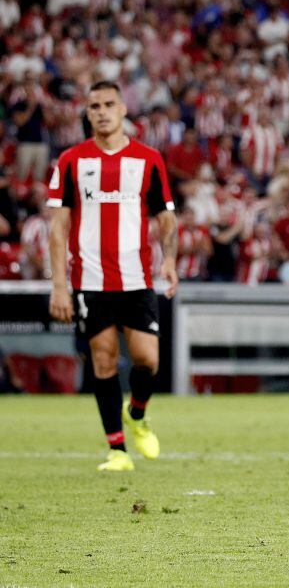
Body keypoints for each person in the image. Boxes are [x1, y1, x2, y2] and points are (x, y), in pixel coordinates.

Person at [46, 80, 179, 472]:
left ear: (123, 110)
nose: (101, 111)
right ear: (87, 114)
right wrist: (58, 286)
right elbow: (57, 228)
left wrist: (169, 260)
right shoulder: (71, 161)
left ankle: (136, 414)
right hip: (90, 281)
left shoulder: (148, 159)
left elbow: (166, 219)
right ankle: (117, 451)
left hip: (137, 279)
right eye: (94, 106)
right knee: (103, 362)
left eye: (108, 104)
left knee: (147, 361)